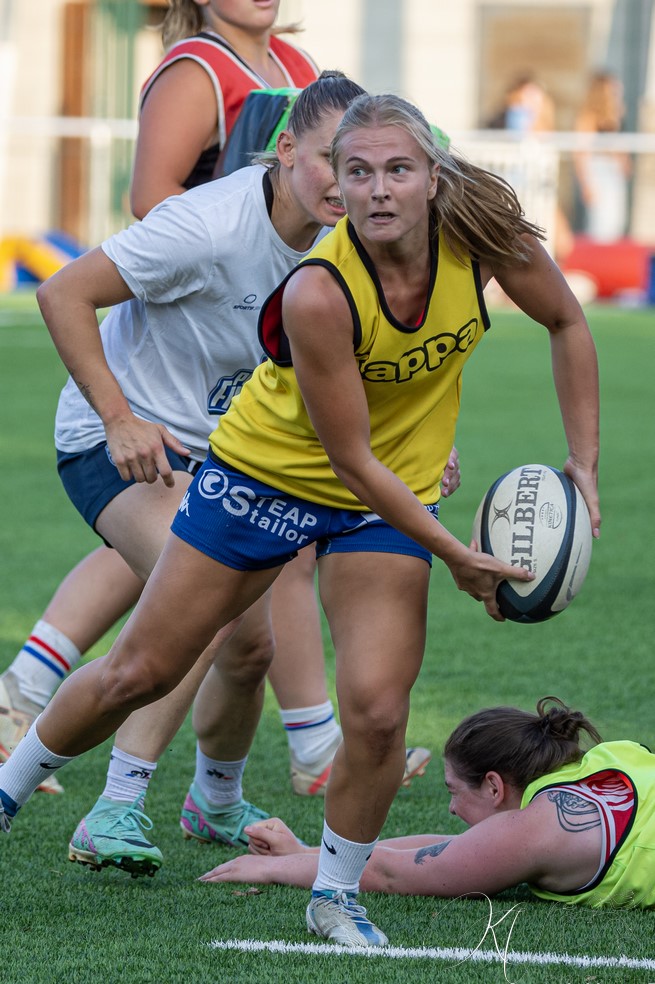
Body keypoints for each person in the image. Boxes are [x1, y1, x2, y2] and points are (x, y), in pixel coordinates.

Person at [0, 93, 600, 949]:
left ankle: (334, 893)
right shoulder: (318, 290)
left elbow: (566, 319)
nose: (378, 189)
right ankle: (9, 789)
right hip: (262, 477)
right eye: (357, 172)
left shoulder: (484, 239)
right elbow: (347, 459)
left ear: (433, 175)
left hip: (387, 498)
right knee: (142, 668)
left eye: (398, 169)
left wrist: (582, 465)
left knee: (381, 710)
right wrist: (453, 555)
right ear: (336, 186)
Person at [1, 3, 434, 804]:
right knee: (193, 597)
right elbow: (74, 280)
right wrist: (120, 415)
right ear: (287, 149)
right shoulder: (205, 181)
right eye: (336, 165)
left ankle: (219, 797)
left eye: (366, 167)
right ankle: (109, 799)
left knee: (249, 645)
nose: (353, 185)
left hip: (230, 442)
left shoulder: (348, 210)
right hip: (131, 433)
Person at [201, 697, 655, 911]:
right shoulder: (599, 762)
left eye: (454, 790)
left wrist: (269, 869)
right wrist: (304, 853)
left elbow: (400, 873)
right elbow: (449, 849)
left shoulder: (534, 828)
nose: (452, 809)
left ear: (494, 787)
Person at [574, 71, 631, 243]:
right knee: (601, 222)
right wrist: (586, 184)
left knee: (616, 221)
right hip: (598, 171)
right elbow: (581, 152)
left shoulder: (615, 117)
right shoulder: (589, 118)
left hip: (613, 173)